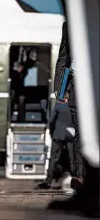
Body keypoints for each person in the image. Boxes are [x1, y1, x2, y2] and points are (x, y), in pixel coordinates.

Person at [53, 22, 85, 190]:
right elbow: (64, 57)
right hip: (77, 85)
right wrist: (60, 89)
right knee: (81, 132)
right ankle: (81, 177)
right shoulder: (70, 24)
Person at [37, 97, 74, 189]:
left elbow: (51, 121)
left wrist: (51, 133)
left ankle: (48, 181)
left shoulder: (59, 105)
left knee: (54, 158)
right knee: (73, 158)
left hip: (58, 134)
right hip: (71, 134)